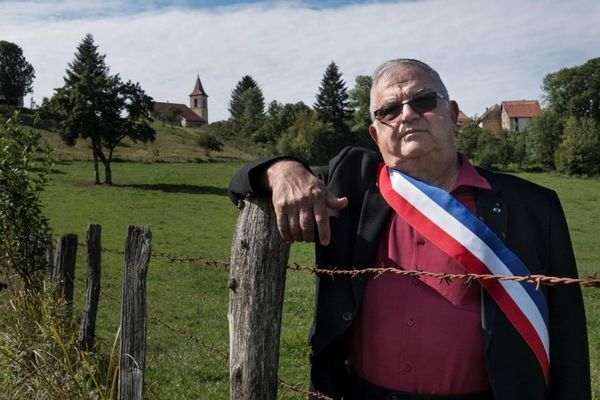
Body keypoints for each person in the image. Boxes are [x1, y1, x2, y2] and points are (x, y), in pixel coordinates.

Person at [228, 59, 590, 400]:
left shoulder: (533, 206)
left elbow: (569, 339)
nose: (407, 115)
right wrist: (282, 170)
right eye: (389, 110)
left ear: (452, 115)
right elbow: (242, 182)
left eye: (423, 100)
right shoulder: (349, 182)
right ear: (375, 133)